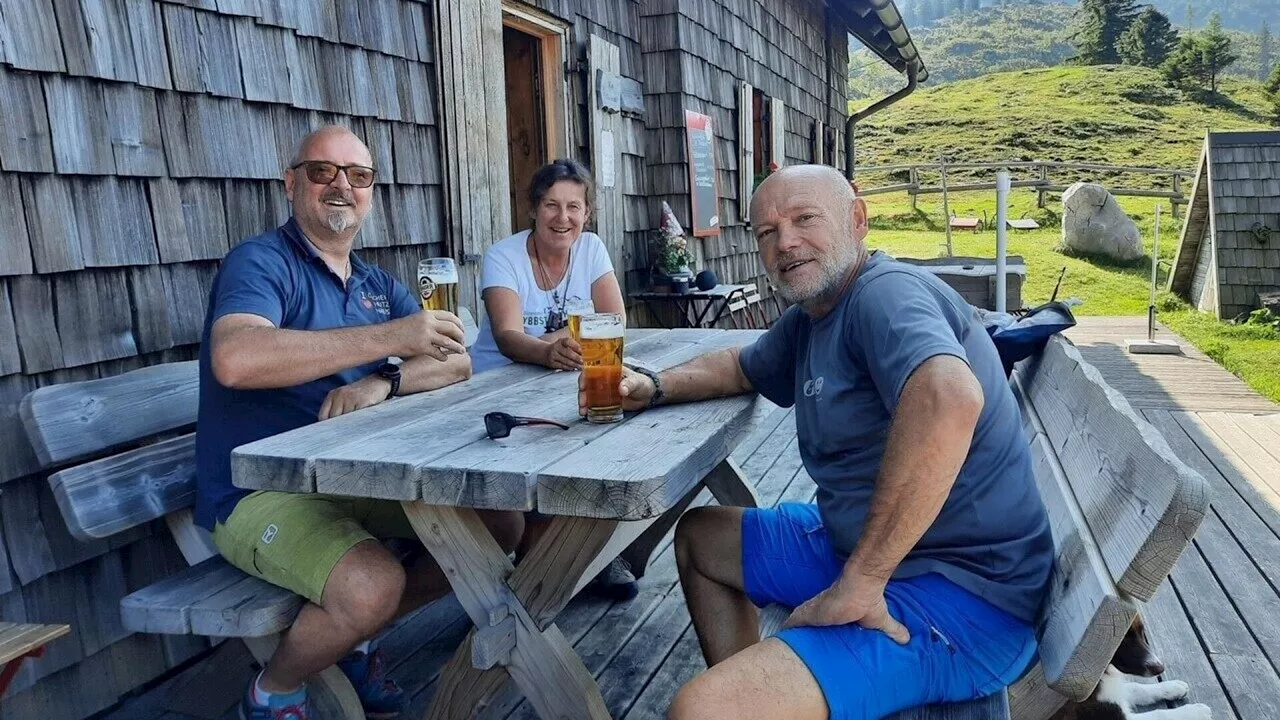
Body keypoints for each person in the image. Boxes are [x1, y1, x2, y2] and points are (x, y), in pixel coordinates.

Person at [579, 165, 1055, 720]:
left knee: (702, 709)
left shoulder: (884, 294)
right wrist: (652, 386)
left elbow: (948, 398)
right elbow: (740, 365)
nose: (786, 242)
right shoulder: (819, 310)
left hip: (964, 594)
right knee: (703, 537)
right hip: (864, 547)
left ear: (857, 220)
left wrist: (862, 581)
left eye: (806, 219)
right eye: (766, 232)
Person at [195, 125, 525, 720]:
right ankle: (273, 690)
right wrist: (390, 339)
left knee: (497, 524)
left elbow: (458, 362)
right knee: (372, 584)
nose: (341, 185)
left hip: (354, 476)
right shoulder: (262, 263)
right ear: (291, 183)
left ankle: (354, 639)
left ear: (372, 193)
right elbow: (235, 359)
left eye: (359, 175)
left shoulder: (375, 283)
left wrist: (384, 380)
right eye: (323, 171)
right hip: (257, 487)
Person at [471, 158, 639, 600]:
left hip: (559, 382)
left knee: (616, 437)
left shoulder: (591, 248)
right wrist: (548, 349)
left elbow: (616, 317)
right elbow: (508, 337)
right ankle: (546, 560)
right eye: (551, 205)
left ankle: (584, 551)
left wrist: (561, 341)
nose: (562, 218)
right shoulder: (503, 257)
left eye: (573, 207)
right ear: (533, 209)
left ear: (586, 213)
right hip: (497, 393)